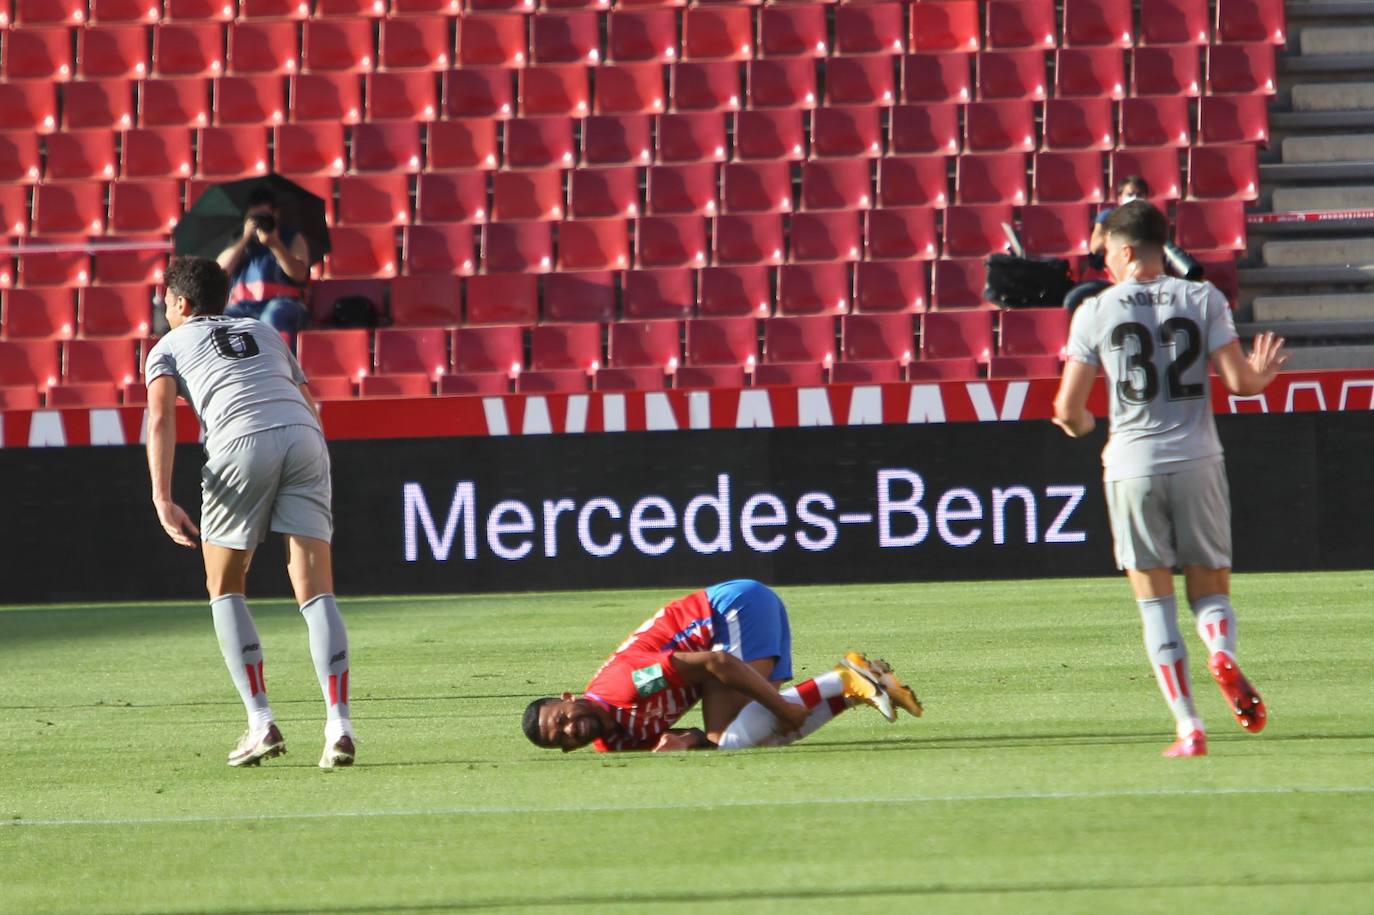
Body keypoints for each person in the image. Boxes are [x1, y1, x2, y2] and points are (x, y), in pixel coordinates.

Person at [1051, 200, 1288, 758]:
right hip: (1198, 459)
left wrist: (1081, 425)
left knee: (1154, 603)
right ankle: (1220, 650)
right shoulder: (1203, 298)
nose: (1105, 261)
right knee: (1210, 588)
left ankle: (1189, 728)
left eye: (1107, 253)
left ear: (1125, 250)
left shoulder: (1095, 309)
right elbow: (1239, 383)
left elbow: (1067, 409)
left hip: (1132, 465)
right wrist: (1261, 375)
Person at [144, 255, 354, 769]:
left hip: (240, 441)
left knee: (225, 585)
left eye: (166, 301)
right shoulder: (263, 330)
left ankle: (261, 723)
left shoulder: (167, 346)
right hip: (305, 437)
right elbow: (306, 400)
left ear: (181, 303)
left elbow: (161, 419)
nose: (164, 309)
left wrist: (162, 497)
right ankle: (339, 726)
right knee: (316, 588)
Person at [521, 579, 923, 753]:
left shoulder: (628, 686)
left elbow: (716, 662)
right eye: (562, 737)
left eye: (562, 718)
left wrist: (783, 707)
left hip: (731, 612)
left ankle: (848, 679)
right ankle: (860, 688)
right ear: (568, 749)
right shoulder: (614, 743)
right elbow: (695, 737)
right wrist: (690, 742)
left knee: (736, 737)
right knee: (752, 736)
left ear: (568, 698)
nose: (570, 729)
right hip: (725, 641)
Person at [216, 186, 311, 333]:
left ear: (275, 214)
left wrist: (275, 245)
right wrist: (244, 239)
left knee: (272, 316)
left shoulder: (292, 238)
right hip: (244, 306)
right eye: (254, 218)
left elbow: (299, 275)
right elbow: (219, 272)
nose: (259, 222)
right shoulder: (238, 241)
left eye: (264, 217)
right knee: (220, 319)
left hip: (283, 303)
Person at [1063, 175, 1152, 313]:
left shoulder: (1152, 221)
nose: (1135, 198)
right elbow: (1095, 246)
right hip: (1106, 276)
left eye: (1139, 195)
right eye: (1130, 194)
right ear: (1120, 198)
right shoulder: (1108, 216)